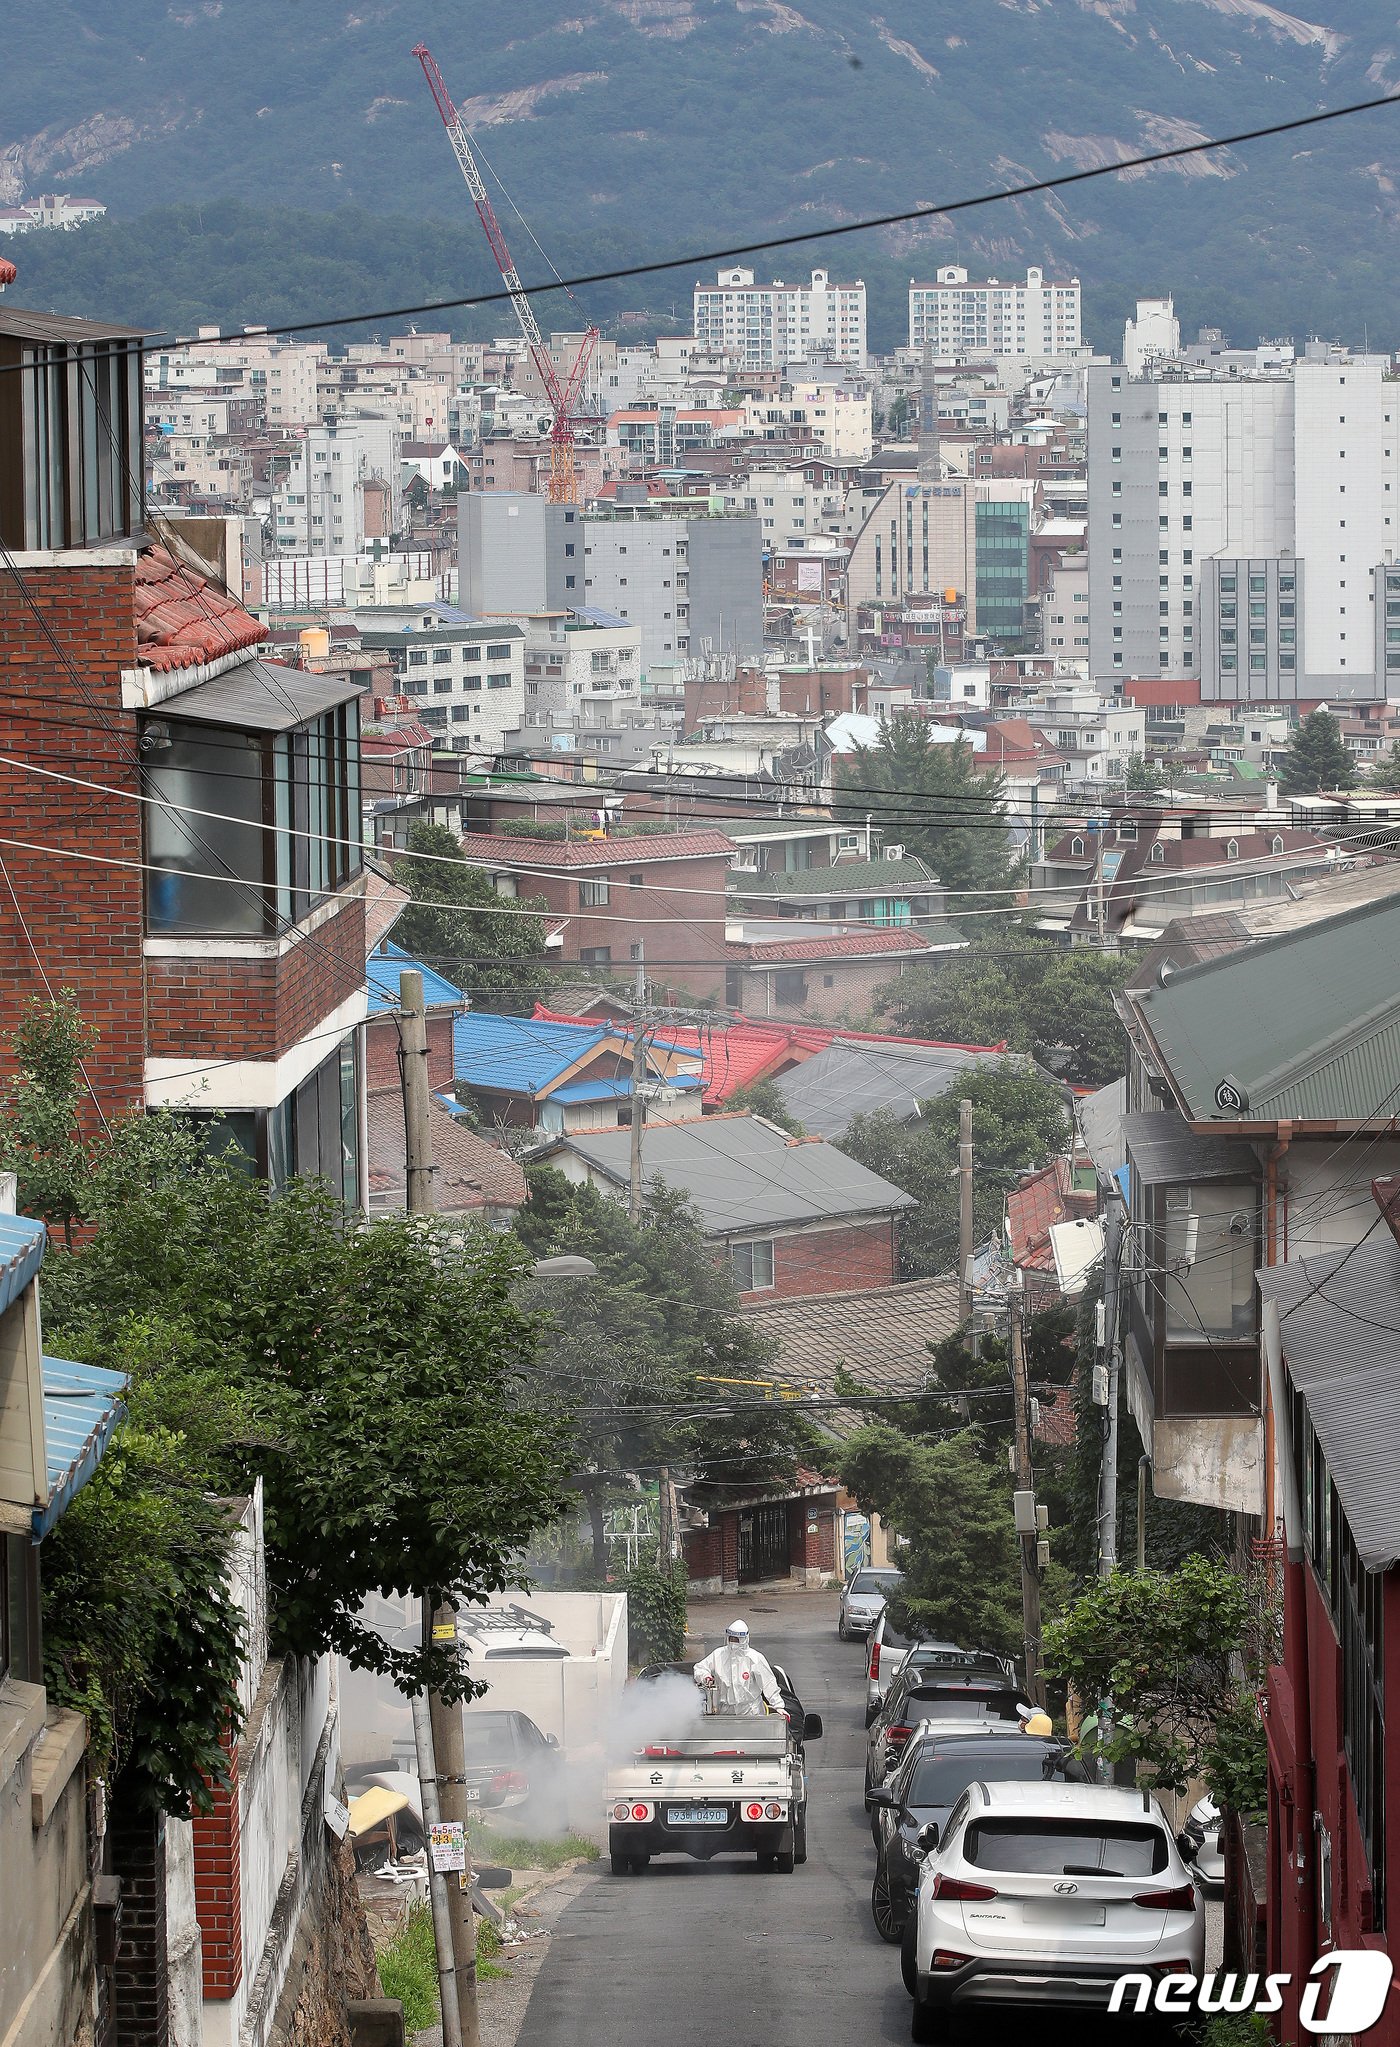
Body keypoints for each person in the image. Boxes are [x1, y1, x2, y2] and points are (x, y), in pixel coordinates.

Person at [693, 1618, 786, 1717]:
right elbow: (700, 1668)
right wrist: (705, 1677)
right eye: (731, 1639)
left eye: (737, 1640)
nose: (734, 1643)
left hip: (750, 1711)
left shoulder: (755, 1658)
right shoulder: (718, 1655)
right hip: (725, 1711)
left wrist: (778, 1706)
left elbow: (768, 1683)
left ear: (744, 1639)